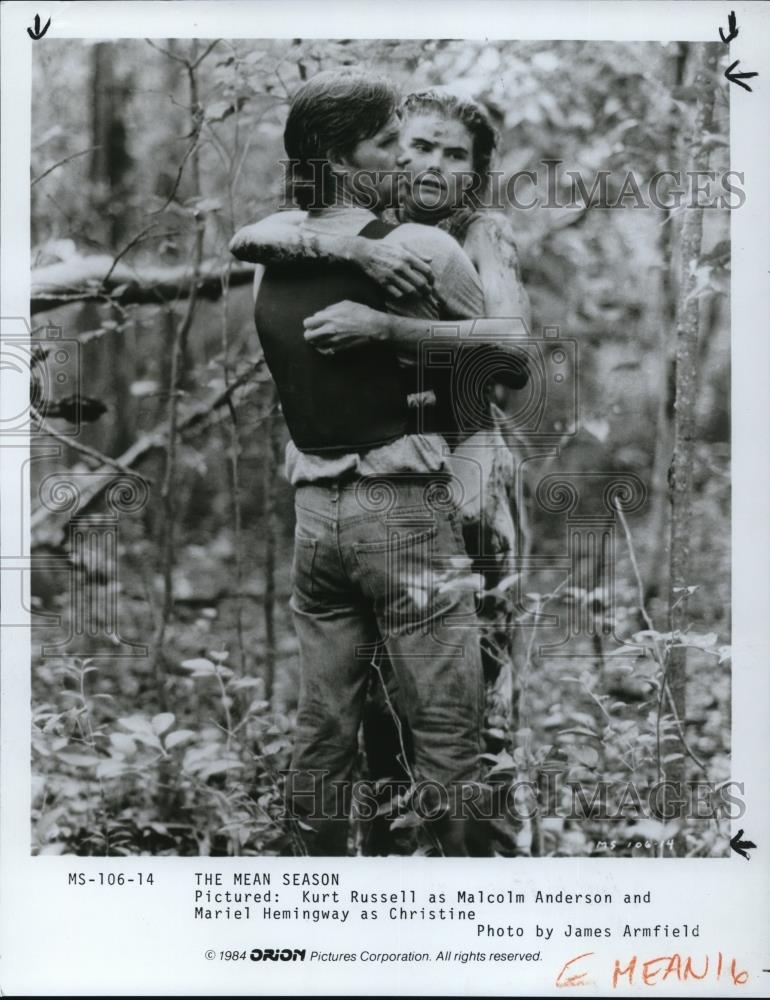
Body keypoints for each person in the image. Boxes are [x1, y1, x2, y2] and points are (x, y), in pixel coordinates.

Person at [231, 87, 531, 855]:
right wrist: (366, 259)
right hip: (396, 502)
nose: (417, 159)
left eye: (445, 152)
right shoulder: (377, 241)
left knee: (359, 720)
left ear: (475, 173)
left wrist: (384, 325)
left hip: (381, 501)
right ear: (350, 159)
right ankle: (425, 894)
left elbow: (508, 355)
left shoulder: (463, 239)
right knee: (423, 726)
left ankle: (359, 883)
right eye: (405, 143)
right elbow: (254, 234)